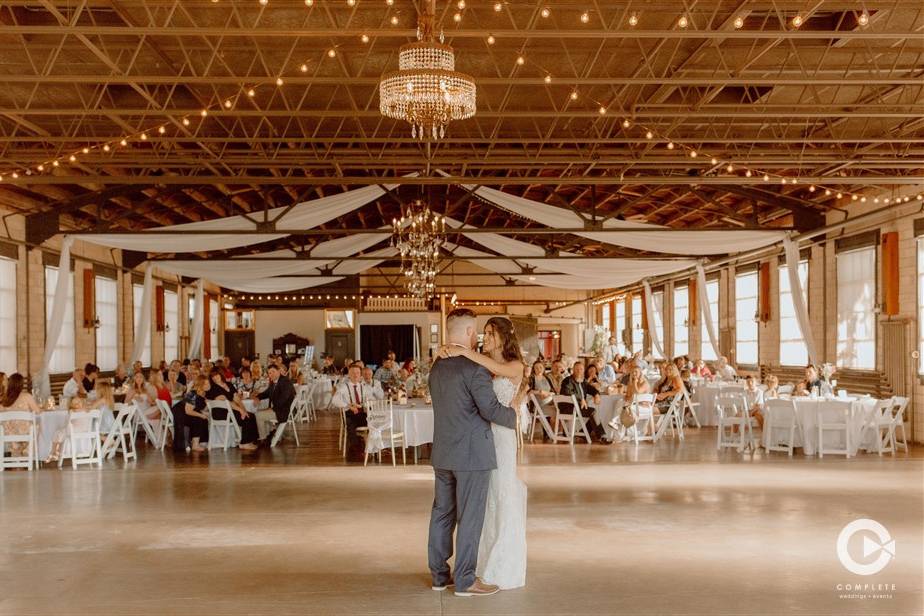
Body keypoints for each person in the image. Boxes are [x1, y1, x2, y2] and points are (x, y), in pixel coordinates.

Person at [429, 310, 524, 597]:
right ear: (471, 332)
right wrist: (514, 413)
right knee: (470, 517)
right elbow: (491, 410)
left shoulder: (438, 365)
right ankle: (466, 580)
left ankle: (438, 577)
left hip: (444, 451)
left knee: (442, 514)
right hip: (472, 454)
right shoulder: (474, 368)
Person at [206, 368, 258, 450]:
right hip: (221, 413)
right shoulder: (213, 388)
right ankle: (244, 443)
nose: (215, 378)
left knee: (251, 415)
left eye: (216, 375)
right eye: (212, 377)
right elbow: (227, 402)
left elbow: (237, 398)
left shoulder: (228, 384)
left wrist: (243, 409)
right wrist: (240, 410)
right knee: (246, 419)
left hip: (231, 410)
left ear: (221, 374)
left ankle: (250, 441)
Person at [333, 364, 373, 454]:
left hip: (362, 413)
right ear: (349, 375)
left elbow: (371, 400)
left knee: (373, 422)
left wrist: (363, 405)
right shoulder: (344, 387)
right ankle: (355, 448)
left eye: (357, 373)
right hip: (349, 413)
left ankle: (372, 447)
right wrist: (348, 406)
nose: (355, 375)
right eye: (353, 373)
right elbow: (334, 400)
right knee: (351, 423)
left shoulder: (364, 387)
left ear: (360, 375)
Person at [0, 373, 42, 457]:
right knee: (38, 426)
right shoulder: (27, 396)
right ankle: (27, 449)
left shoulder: (3, 399)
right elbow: (38, 412)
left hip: (8, 433)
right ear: (21, 385)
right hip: (25, 431)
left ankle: (16, 449)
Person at [558, 361, 602, 439]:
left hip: (578, 407)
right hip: (568, 408)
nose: (579, 371)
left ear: (583, 371)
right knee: (592, 412)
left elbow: (591, 389)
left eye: (581, 369)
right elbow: (567, 392)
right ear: (573, 370)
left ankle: (583, 432)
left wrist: (596, 394)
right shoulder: (567, 381)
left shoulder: (583, 381)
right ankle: (601, 436)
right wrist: (580, 399)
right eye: (577, 369)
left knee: (594, 412)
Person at [173, 375, 211, 453]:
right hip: (180, 414)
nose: (208, 385)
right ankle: (195, 444)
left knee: (203, 418)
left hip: (185, 413)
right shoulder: (192, 394)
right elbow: (188, 411)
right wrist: (201, 415)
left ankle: (202, 442)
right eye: (205, 384)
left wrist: (206, 406)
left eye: (208, 383)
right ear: (200, 385)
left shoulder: (203, 394)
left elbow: (199, 408)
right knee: (198, 418)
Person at [257, 363, 296, 427]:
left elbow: (283, 399)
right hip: (279, 410)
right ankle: (269, 434)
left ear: (278, 371)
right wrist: (258, 397)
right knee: (259, 412)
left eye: (273, 371)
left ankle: (263, 437)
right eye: (269, 373)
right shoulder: (275, 381)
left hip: (283, 412)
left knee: (258, 415)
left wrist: (272, 409)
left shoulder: (285, 382)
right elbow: (266, 393)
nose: (271, 374)